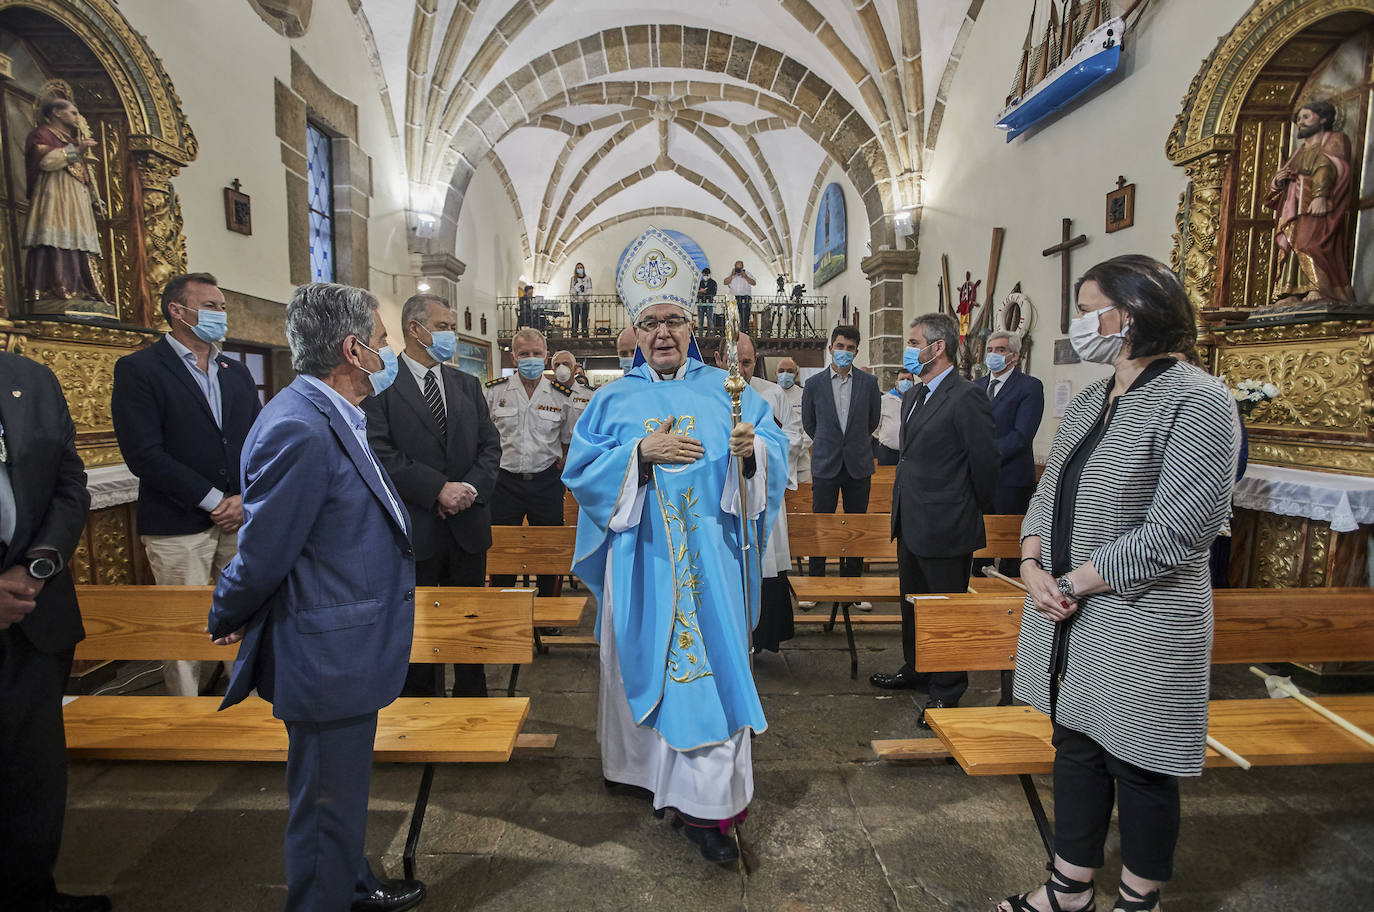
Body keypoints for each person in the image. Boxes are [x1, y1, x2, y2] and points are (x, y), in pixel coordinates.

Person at [1001, 256, 1239, 912]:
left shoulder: (1198, 399)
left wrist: (1072, 581)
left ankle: (1138, 900)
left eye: (1089, 308)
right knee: (1076, 748)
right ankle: (1069, 889)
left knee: (1140, 763)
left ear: (1129, 313)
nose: (1082, 324)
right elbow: (1048, 492)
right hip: (1072, 614)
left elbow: (1182, 528)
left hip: (1143, 615)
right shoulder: (1089, 399)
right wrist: (1028, 564)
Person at [564, 226, 787, 865]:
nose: (663, 331)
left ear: (693, 327)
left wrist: (752, 456)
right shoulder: (611, 400)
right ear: (635, 330)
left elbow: (771, 454)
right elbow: (580, 472)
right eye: (651, 321)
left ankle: (706, 807)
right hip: (642, 565)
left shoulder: (729, 389)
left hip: (710, 569)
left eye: (675, 320)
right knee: (646, 661)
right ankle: (640, 773)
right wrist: (639, 453)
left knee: (708, 677)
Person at [208, 283, 425, 912]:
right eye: (382, 343)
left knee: (339, 795)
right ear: (353, 351)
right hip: (327, 650)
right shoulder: (300, 427)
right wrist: (228, 613)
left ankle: (352, 884)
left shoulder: (329, 413)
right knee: (324, 803)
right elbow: (265, 550)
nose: (386, 354)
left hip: (343, 645)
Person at [111, 272, 261, 696]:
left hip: (238, 518)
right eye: (211, 306)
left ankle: (242, 697)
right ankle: (184, 710)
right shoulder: (140, 369)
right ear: (178, 311)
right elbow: (144, 454)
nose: (220, 314)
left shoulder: (235, 372)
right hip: (178, 521)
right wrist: (214, 500)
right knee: (184, 624)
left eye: (222, 307)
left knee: (240, 612)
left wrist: (242, 497)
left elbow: (256, 441)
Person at [0, 353, 104, 912]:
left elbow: (69, 479)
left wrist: (37, 563)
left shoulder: (29, 379)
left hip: (35, 611)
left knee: (32, 769)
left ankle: (31, 894)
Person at [364, 292, 501, 699]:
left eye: (450, 327)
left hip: (467, 524)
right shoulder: (382, 386)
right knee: (418, 622)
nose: (450, 335)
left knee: (469, 621)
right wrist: (436, 490)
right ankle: (420, 702)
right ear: (415, 328)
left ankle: (472, 697)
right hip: (416, 525)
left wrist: (468, 490)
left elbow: (490, 447)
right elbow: (381, 452)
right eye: (443, 326)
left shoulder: (466, 384)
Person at [873, 313, 998, 728]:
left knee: (945, 612)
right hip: (911, 522)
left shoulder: (966, 397)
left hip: (947, 525)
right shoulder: (914, 396)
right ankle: (917, 669)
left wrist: (961, 509)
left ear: (937, 347)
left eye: (914, 342)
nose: (909, 350)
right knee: (913, 605)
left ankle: (947, 690)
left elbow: (984, 465)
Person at [716, 332, 796, 653]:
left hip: (764, 495)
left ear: (755, 361)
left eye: (747, 363)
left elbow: (791, 439)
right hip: (722, 499)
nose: (741, 370)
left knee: (764, 563)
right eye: (735, 362)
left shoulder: (772, 394)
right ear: (719, 360)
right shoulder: (707, 396)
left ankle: (760, 639)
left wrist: (758, 450)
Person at [485, 328, 575, 596]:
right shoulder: (493, 392)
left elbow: (568, 440)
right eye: (524, 354)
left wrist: (561, 464)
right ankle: (505, 609)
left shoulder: (560, 396)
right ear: (514, 357)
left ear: (546, 356)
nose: (530, 358)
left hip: (546, 483)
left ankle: (551, 607)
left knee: (550, 550)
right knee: (504, 550)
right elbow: (483, 437)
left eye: (536, 353)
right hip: (504, 483)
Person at [801, 325, 880, 580]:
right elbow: (809, 423)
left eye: (850, 348)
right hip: (826, 464)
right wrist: (829, 442)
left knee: (856, 527)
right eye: (840, 346)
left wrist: (852, 442)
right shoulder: (813, 385)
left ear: (856, 352)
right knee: (821, 525)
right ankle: (816, 580)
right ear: (831, 348)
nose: (844, 352)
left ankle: (852, 583)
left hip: (858, 464)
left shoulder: (869, 383)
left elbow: (873, 421)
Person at [1264, 100, 1354, 304]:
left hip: (1318, 206)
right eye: (1298, 119)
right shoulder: (1300, 150)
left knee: (1311, 243)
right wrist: (1278, 182)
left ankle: (1320, 288)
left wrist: (1320, 195)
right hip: (1296, 207)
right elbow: (1281, 185)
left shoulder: (1335, 139)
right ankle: (1292, 291)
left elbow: (1334, 167)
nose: (1300, 122)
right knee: (1293, 245)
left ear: (1323, 118)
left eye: (1306, 117)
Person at [22, 97, 107, 306]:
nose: (77, 117)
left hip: (76, 197)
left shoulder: (73, 139)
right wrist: (76, 151)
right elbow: (45, 162)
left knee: (78, 238)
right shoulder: (42, 134)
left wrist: (96, 199)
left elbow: (86, 172)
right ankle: (56, 288)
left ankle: (81, 287)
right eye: (73, 112)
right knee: (56, 235)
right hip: (55, 193)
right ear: (56, 113)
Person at [977, 330, 1045, 557]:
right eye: (989, 350)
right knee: (979, 538)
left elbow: (1021, 435)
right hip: (977, 477)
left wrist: (983, 454)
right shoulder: (975, 387)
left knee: (1009, 543)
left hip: (1010, 478)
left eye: (1000, 350)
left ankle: (1008, 583)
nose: (993, 354)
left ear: (1014, 356)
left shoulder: (1029, 386)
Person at [775, 357, 811, 485]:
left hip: (800, 464)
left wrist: (794, 450)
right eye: (781, 370)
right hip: (775, 461)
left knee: (802, 501)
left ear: (796, 374)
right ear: (776, 373)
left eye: (790, 371)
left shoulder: (805, 396)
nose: (785, 374)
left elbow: (810, 428)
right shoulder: (769, 395)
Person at [874, 369, 914, 466]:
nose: (905, 382)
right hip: (888, 452)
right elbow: (875, 425)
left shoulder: (917, 400)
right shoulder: (884, 400)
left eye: (909, 379)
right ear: (896, 382)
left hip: (911, 452)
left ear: (913, 382)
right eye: (902, 379)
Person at [552, 349, 593, 417]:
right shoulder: (545, 395)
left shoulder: (589, 395)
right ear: (553, 369)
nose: (561, 368)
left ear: (574, 368)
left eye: (566, 364)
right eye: (557, 365)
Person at [726, 259, 756, 332]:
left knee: (745, 318)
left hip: (745, 298)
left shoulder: (747, 274)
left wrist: (745, 276)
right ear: (735, 267)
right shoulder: (731, 275)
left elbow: (754, 283)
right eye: (737, 268)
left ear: (743, 267)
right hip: (733, 297)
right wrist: (731, 275)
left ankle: (744, 333)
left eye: (740, 268)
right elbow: (725, 282)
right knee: (732, 318)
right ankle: (733, 335)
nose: (739, 269)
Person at [570, 262, 592, 336]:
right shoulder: (573, 279)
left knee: (584, 319)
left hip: (584, 302)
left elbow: (589, 290)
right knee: (575, 319)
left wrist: (584, 298)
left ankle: (585, 337)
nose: (580, 269)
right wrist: (577, 298)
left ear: (583, 269)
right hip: (575, 302)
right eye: (578, 268)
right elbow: (572, 290)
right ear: (576, 269)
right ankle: (574, 336)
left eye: (581, 267)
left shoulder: (588, 279)